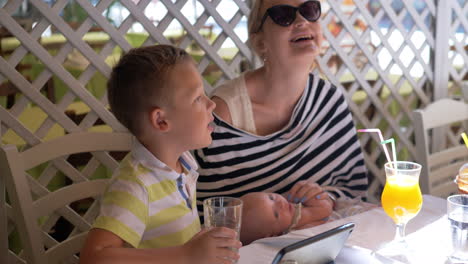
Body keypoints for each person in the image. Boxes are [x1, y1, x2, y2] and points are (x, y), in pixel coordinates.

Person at [194, 0, 368, 222]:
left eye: (310, 10)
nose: (302, 20)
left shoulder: (329, 101)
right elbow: (205, 218)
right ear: (260, 42)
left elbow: (352, 191)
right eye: (283, 15)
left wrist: (323, 199)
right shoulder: (223, 116)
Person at [79, 45, 241, 264]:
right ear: (161, 121)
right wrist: (187, 254)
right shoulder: (136, 187)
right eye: (197, 99)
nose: (211, 104)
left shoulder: (184, 163)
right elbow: (93, 258)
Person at [240, 181, 377, 245]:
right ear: (271, 235)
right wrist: (318, 202)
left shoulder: (295, 212)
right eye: (276, 213)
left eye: (272, 198)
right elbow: (324, 210)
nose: (281, 204)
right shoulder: (297, 225)